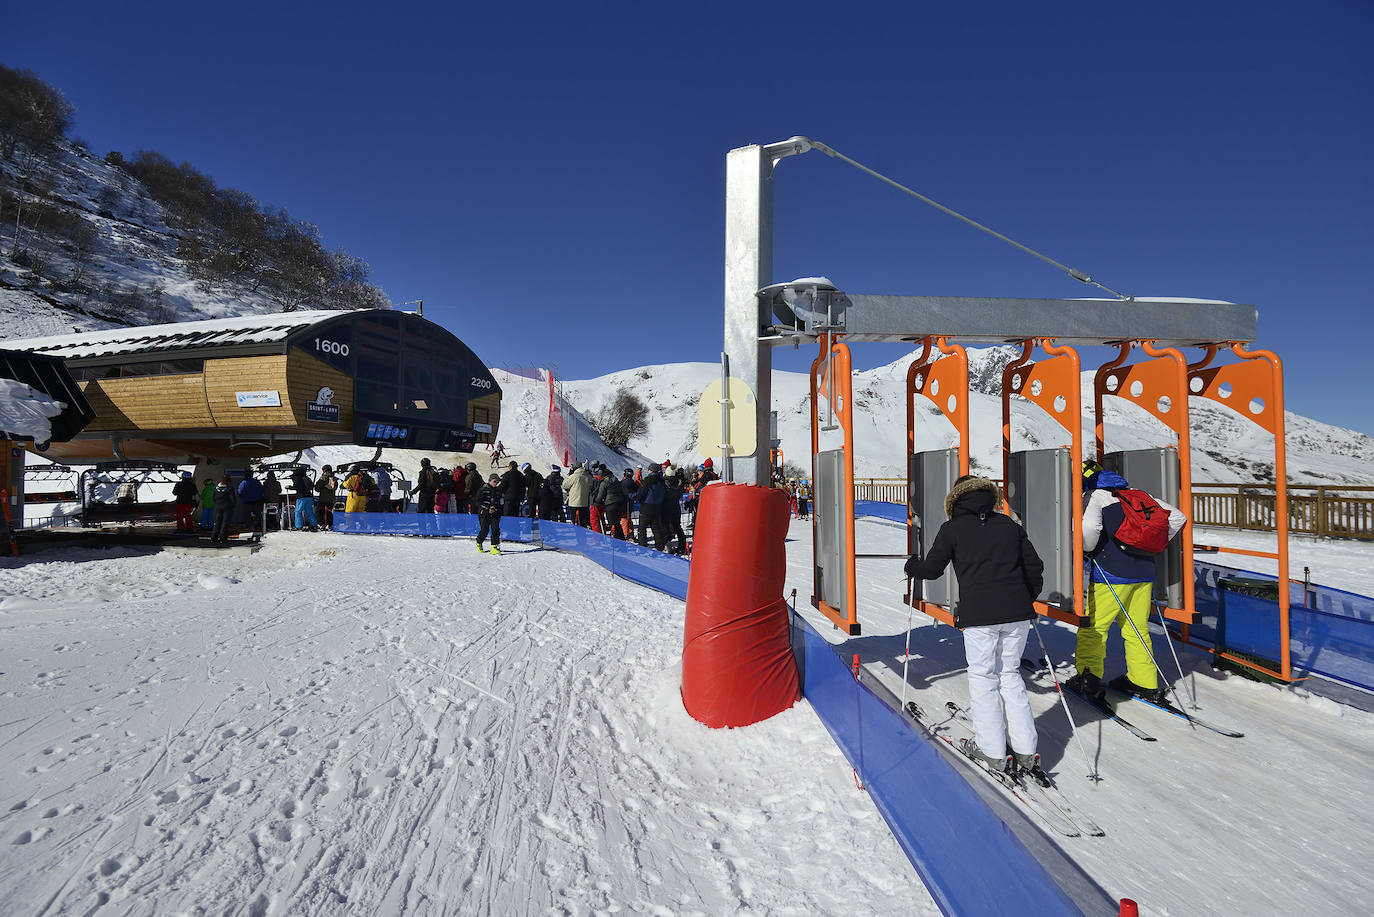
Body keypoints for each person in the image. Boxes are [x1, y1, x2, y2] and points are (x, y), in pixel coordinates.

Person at [904, 474, 1045, 776]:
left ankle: (992, 750)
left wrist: (911, 565)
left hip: (981, 616)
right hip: (1017, 613)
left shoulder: (953, 528)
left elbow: (931, 570)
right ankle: (1026, 751)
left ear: (955, 500)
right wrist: (1024, 597)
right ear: (990, 498)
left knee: (983, 678)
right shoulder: (1010, 526)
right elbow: (1035, 566)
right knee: (1009, 674)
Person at [1067, 461, 1187, 703]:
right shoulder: (1138, 494)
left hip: (1110, 573)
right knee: (1137, 630)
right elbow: (1177, 517)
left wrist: (1088, 550)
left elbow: (1088, 528)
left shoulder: (1096, 496)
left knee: (1095, 628)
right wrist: (1151, 544)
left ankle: (1086, 679)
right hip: (1143, 572)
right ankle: (1143, 682)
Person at [635, 462, 669, 550]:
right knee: (656, 528)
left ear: (652, 470)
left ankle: (643, 546)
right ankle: (660, 546)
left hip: (646, 507)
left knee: (642, 528)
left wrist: (635, 497)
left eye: (649, 469)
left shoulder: (648, 480)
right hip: (657, 507)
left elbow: (642, 493)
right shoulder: (662, 481)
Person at [474, 472, 504, 555]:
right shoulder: (482, 490)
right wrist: (487, 509)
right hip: (484, 513)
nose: (496, 483)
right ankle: (479, 542)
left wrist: (497, 509)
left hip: (495, 513)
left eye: (497, 482)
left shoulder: (498, 491)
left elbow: (500, 503)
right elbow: (478, 502)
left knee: (495, 530)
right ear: (490, 480)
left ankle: (494, 547)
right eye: (494, 481)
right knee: (485, 530)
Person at [663, 462, 688, 554]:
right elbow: (680, 493)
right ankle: (682, 545)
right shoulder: (678, 481)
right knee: (677, 527)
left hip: (666, 507)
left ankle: (668, 547)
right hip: (676, 507)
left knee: (666, 527)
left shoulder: (665, 482)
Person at [598, 468, 629, 540]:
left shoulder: (604, 482)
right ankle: (621, 539)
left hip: (610, 504)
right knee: (617, 523)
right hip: (619, 503)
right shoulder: (617, 481)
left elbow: (600, 495)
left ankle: (615, 540)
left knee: (612, 524)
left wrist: (597, 501)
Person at [237, 469, 265, 541]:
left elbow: (240, 491)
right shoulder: (257, 482)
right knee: (258, 514)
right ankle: (260, 525)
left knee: (247, 515)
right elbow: (262, 490)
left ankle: (250, 526)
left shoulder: (244, 482)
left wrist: (242, 497)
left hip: (247, 501)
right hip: (256, 501)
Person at [563, 462, 592, 528]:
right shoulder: (588, 476)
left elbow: (564, 485)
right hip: (585, 503)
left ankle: (577, 535)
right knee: (583, 522)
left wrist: (569, 475)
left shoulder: (574, 476)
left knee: (575, 522)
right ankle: (583, 536)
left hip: (574, 503)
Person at [290, 465, 318, 530]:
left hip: (301, 497)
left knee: (298, 512)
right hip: (309, 497)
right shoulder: (307, 478)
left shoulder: (298, 477)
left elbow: (296, 486)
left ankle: (298, 526)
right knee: (309, 512)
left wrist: (290, 487)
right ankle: (314, 524)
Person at [211, 474, 235, 543]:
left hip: (218, 506)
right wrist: (233, 505)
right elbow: (232, 499)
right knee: (225, 522)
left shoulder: (216, 488)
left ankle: (214, 537)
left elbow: (214, 498)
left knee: (218, 522)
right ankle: (222, 537)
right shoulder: (229, 489)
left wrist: (217, 503)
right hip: (227, 506)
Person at [314, 465, 338, 530]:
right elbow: (334, 488)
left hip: (323, 499)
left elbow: (317, 488)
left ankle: (320, 524)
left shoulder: (324, 477)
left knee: (319, 511)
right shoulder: (334, 478)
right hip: (331, 499)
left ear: (324, 470)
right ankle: (330, 525)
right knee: (329, 512)